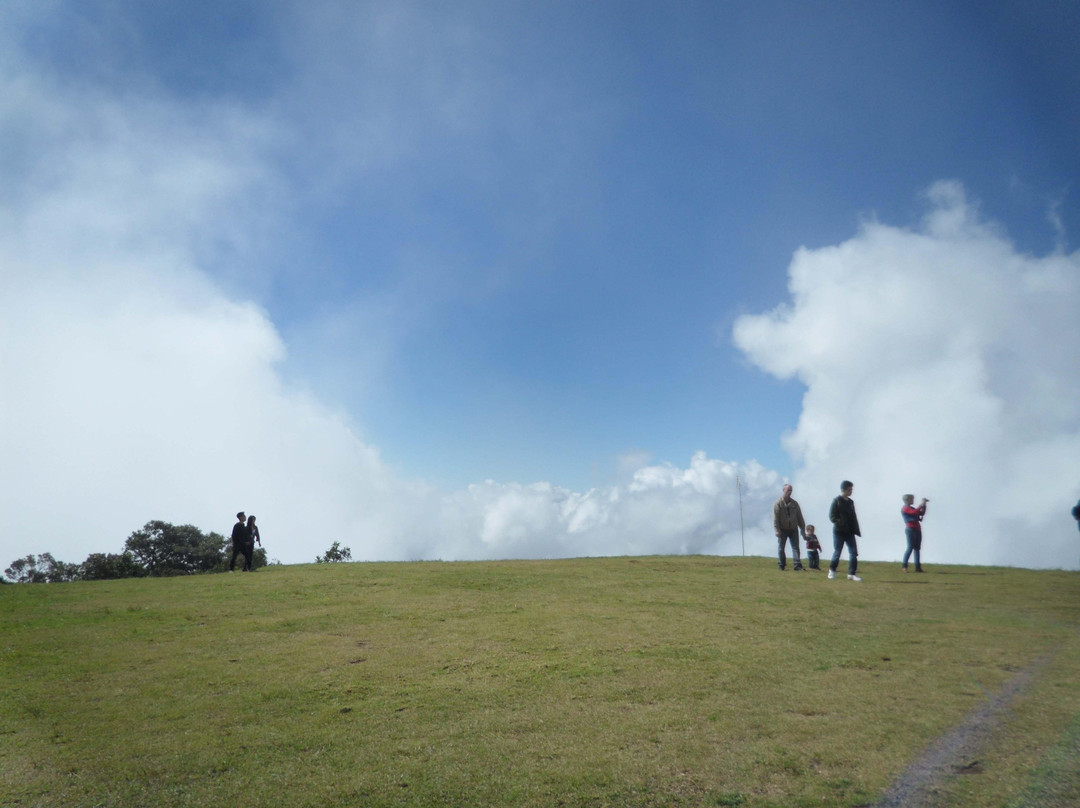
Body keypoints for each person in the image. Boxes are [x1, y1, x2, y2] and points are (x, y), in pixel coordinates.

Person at [828, 481, 861, 581]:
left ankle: (851, 573)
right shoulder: (836, 501)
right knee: (837, 552)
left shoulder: (851, 502)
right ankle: (832, 571)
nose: (851, 491)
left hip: (850, 532)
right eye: (849, 489)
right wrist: (841, 523)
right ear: (844, 489)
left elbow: (853, 517)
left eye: (851, 489)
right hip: (839, 532)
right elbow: (832, 516)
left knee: (853, 553)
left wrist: (855, 528)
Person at [773, 484, 806, 571]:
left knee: (795, 547)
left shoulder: (795, 504)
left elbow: (800, 517)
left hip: (793, 529)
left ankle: (797, 565)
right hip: (782, 529)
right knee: (781, 548)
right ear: (783, 490)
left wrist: (803, 529)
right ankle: (781, 564)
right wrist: (777, 530)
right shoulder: (778, 503)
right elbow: (775, 518)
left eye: (791, 490)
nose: (790, 492)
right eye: (788, 490)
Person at [901, 495, 928, 572]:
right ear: (908, 500)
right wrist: (921, 505)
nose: (913, 500)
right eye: (912, 499)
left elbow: (921, 513)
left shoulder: (910, 508)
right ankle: (904, 566)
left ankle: (918, 567)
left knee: (917, 548)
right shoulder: (905, 508)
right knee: (910, 547)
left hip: (917, 529)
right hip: (911, 529)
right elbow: (914, 512)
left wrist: (924, 505)